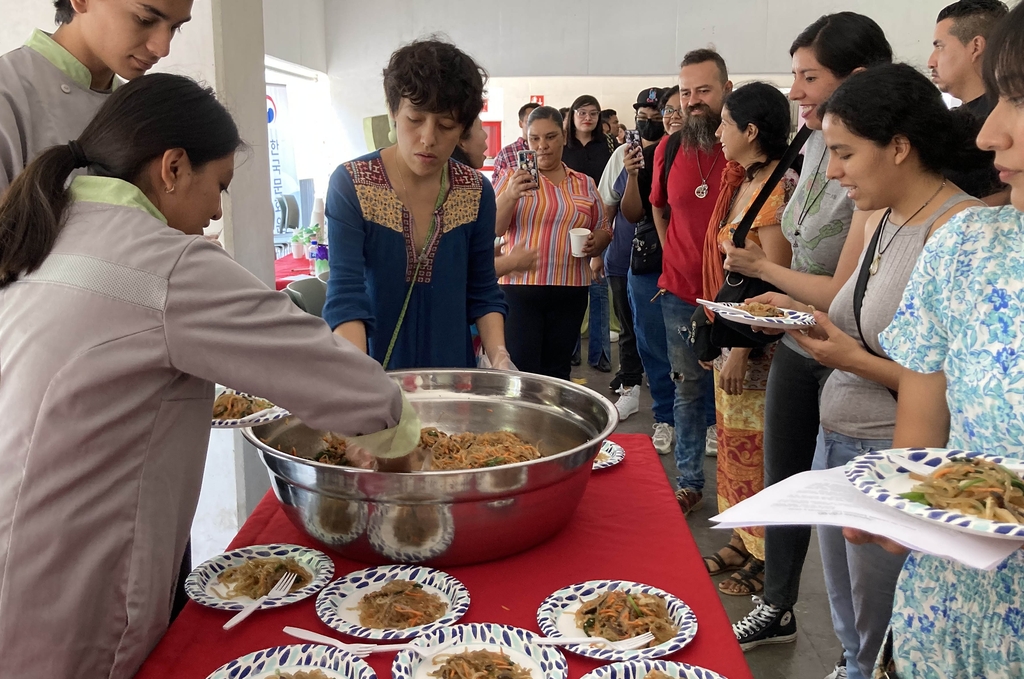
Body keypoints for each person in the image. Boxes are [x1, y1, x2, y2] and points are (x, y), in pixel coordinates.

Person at [0, 73, 423, 679]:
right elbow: (321, 364)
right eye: (218, 185)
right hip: (65, 588)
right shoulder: (161, 264)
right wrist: (400, 446)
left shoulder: (53, 229)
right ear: (172, 167)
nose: (217, 210)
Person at [762, 64, 982, 679]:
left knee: (888, 626)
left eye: (844, 153)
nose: (832, 171)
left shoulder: (955, 234)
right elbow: (852, 315)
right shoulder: (883, 217)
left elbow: (947, 388)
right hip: (840, 440)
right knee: (851, 617)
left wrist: (849, 359)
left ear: (900, 147)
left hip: (893, 454)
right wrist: (796, 315)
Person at [847, 8, 1024, 675]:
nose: (989, 133)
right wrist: (902, 510)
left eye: (1020, 101)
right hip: (950, 609)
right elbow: (921, 446)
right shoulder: (967, 246)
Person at [722, 12, 893, 655]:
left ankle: (872, 652)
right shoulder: (815, 142)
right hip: (800, 332)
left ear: (858, 77)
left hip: (854, 347)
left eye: (808, 76)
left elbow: (849, 296)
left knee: (858, 510)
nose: (795, 90)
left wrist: (766, 273)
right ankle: (778, 605)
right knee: (785, 475)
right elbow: (797, 247)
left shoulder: (874, 161)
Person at [323, 39, 509, 371]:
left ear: (463, 129)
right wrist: (359, 377)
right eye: (415, 119)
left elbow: (483, 290)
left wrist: (499, 357)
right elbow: (346, 296)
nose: (428, 138)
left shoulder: (475, 191)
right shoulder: (353, 183)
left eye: (446, 125)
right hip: (375, 374)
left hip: (454, 376)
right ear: (393, 111)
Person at [698, 82, 798, 598]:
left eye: (725, 123)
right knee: (735, 445)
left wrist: (742, 348)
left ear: (751, 131)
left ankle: (765, 553)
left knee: (757, 448)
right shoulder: (748, 179)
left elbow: (776, 278)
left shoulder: (779, 189)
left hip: (757, 345)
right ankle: (742, 534)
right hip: (733, 329)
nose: (718, 132)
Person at [650, 48, 732, 516]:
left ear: (726, 91)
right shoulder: (671, 147)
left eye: (703, 90)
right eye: (685, 92)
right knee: (686, 388)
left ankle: (734, 490)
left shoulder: (743, 147)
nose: (693, 101)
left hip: (734, 295)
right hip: (679, 292)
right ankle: (688, 482)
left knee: (732, 396)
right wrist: (673, 251)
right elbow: (660, 206)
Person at [0, 0, 192, 192]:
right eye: (145, 20)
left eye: (176, 28)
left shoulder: (144, 111)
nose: (162, 49)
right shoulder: (8, 90)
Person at [494, 106, 612, 379]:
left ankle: (553, 423)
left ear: (563, 137)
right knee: (522, 373)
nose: (542, 146)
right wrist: (511, 195)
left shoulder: (583, 183)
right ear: (525, 140)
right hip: (520, 289)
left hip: (570, 289)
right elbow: (496, 228)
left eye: (550, 137)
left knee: (558, 372)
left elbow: (604, 227)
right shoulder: (511, 179)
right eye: (534, 139)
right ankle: (523, 423)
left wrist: (598, 242)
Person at [620, 86, 681, 456]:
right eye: (667, 109)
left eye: (676, 109)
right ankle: (665, 417)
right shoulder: (646, 157)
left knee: (697, 349)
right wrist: (630, 176)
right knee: (655, 346)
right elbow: (632, 213)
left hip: (696, 265)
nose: (669, 116)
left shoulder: (715, 156)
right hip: (649, 262)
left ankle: (705, 418)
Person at [598, 88, 663, 419]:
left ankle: (664, 396)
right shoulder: (624, 154)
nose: (649, 123)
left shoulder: (672, 153)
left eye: (656, 117)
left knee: (660, 332)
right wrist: (601, 248)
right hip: (623, 257)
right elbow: (612, 206)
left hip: (662, 263)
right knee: (627, 328)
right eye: (642, 118)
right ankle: (630, 387)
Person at [928, 0, 1010, 203]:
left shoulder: (1005, 122)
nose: (931, 61)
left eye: (940, 46)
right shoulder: (951, 120)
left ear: (975, 47)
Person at [563, 94, 615, 372]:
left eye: (593, 113)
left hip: (599, 223)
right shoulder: (562, 145)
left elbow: (612, 188)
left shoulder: (606, 145)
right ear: (571, 116)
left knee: (598, 288)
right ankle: (570, 349)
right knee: (569, 288)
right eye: (582, 112)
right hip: (565, 225)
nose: (587, 118)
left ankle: (601, 353)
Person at [492, 102, 540, 177]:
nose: (535, 125)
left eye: (539, 121)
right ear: (520, 123)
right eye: (530, 121)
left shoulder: (549, 149)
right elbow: (496, 187)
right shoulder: (505, 154)